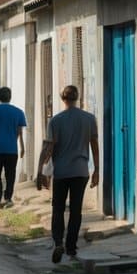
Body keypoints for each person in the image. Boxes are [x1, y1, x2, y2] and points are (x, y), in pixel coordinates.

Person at [35, 84, 99, 264]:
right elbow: (94, 146)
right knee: (76, 210)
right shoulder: (89, 119)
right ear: (77, 98)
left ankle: (58, 242)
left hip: (62, 172)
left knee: (58, 208)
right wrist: (97, 172)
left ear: (62, 98)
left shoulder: (55, 121)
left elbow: (48, 147)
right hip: (81, 171)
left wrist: (40, 171)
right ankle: (71, 246)